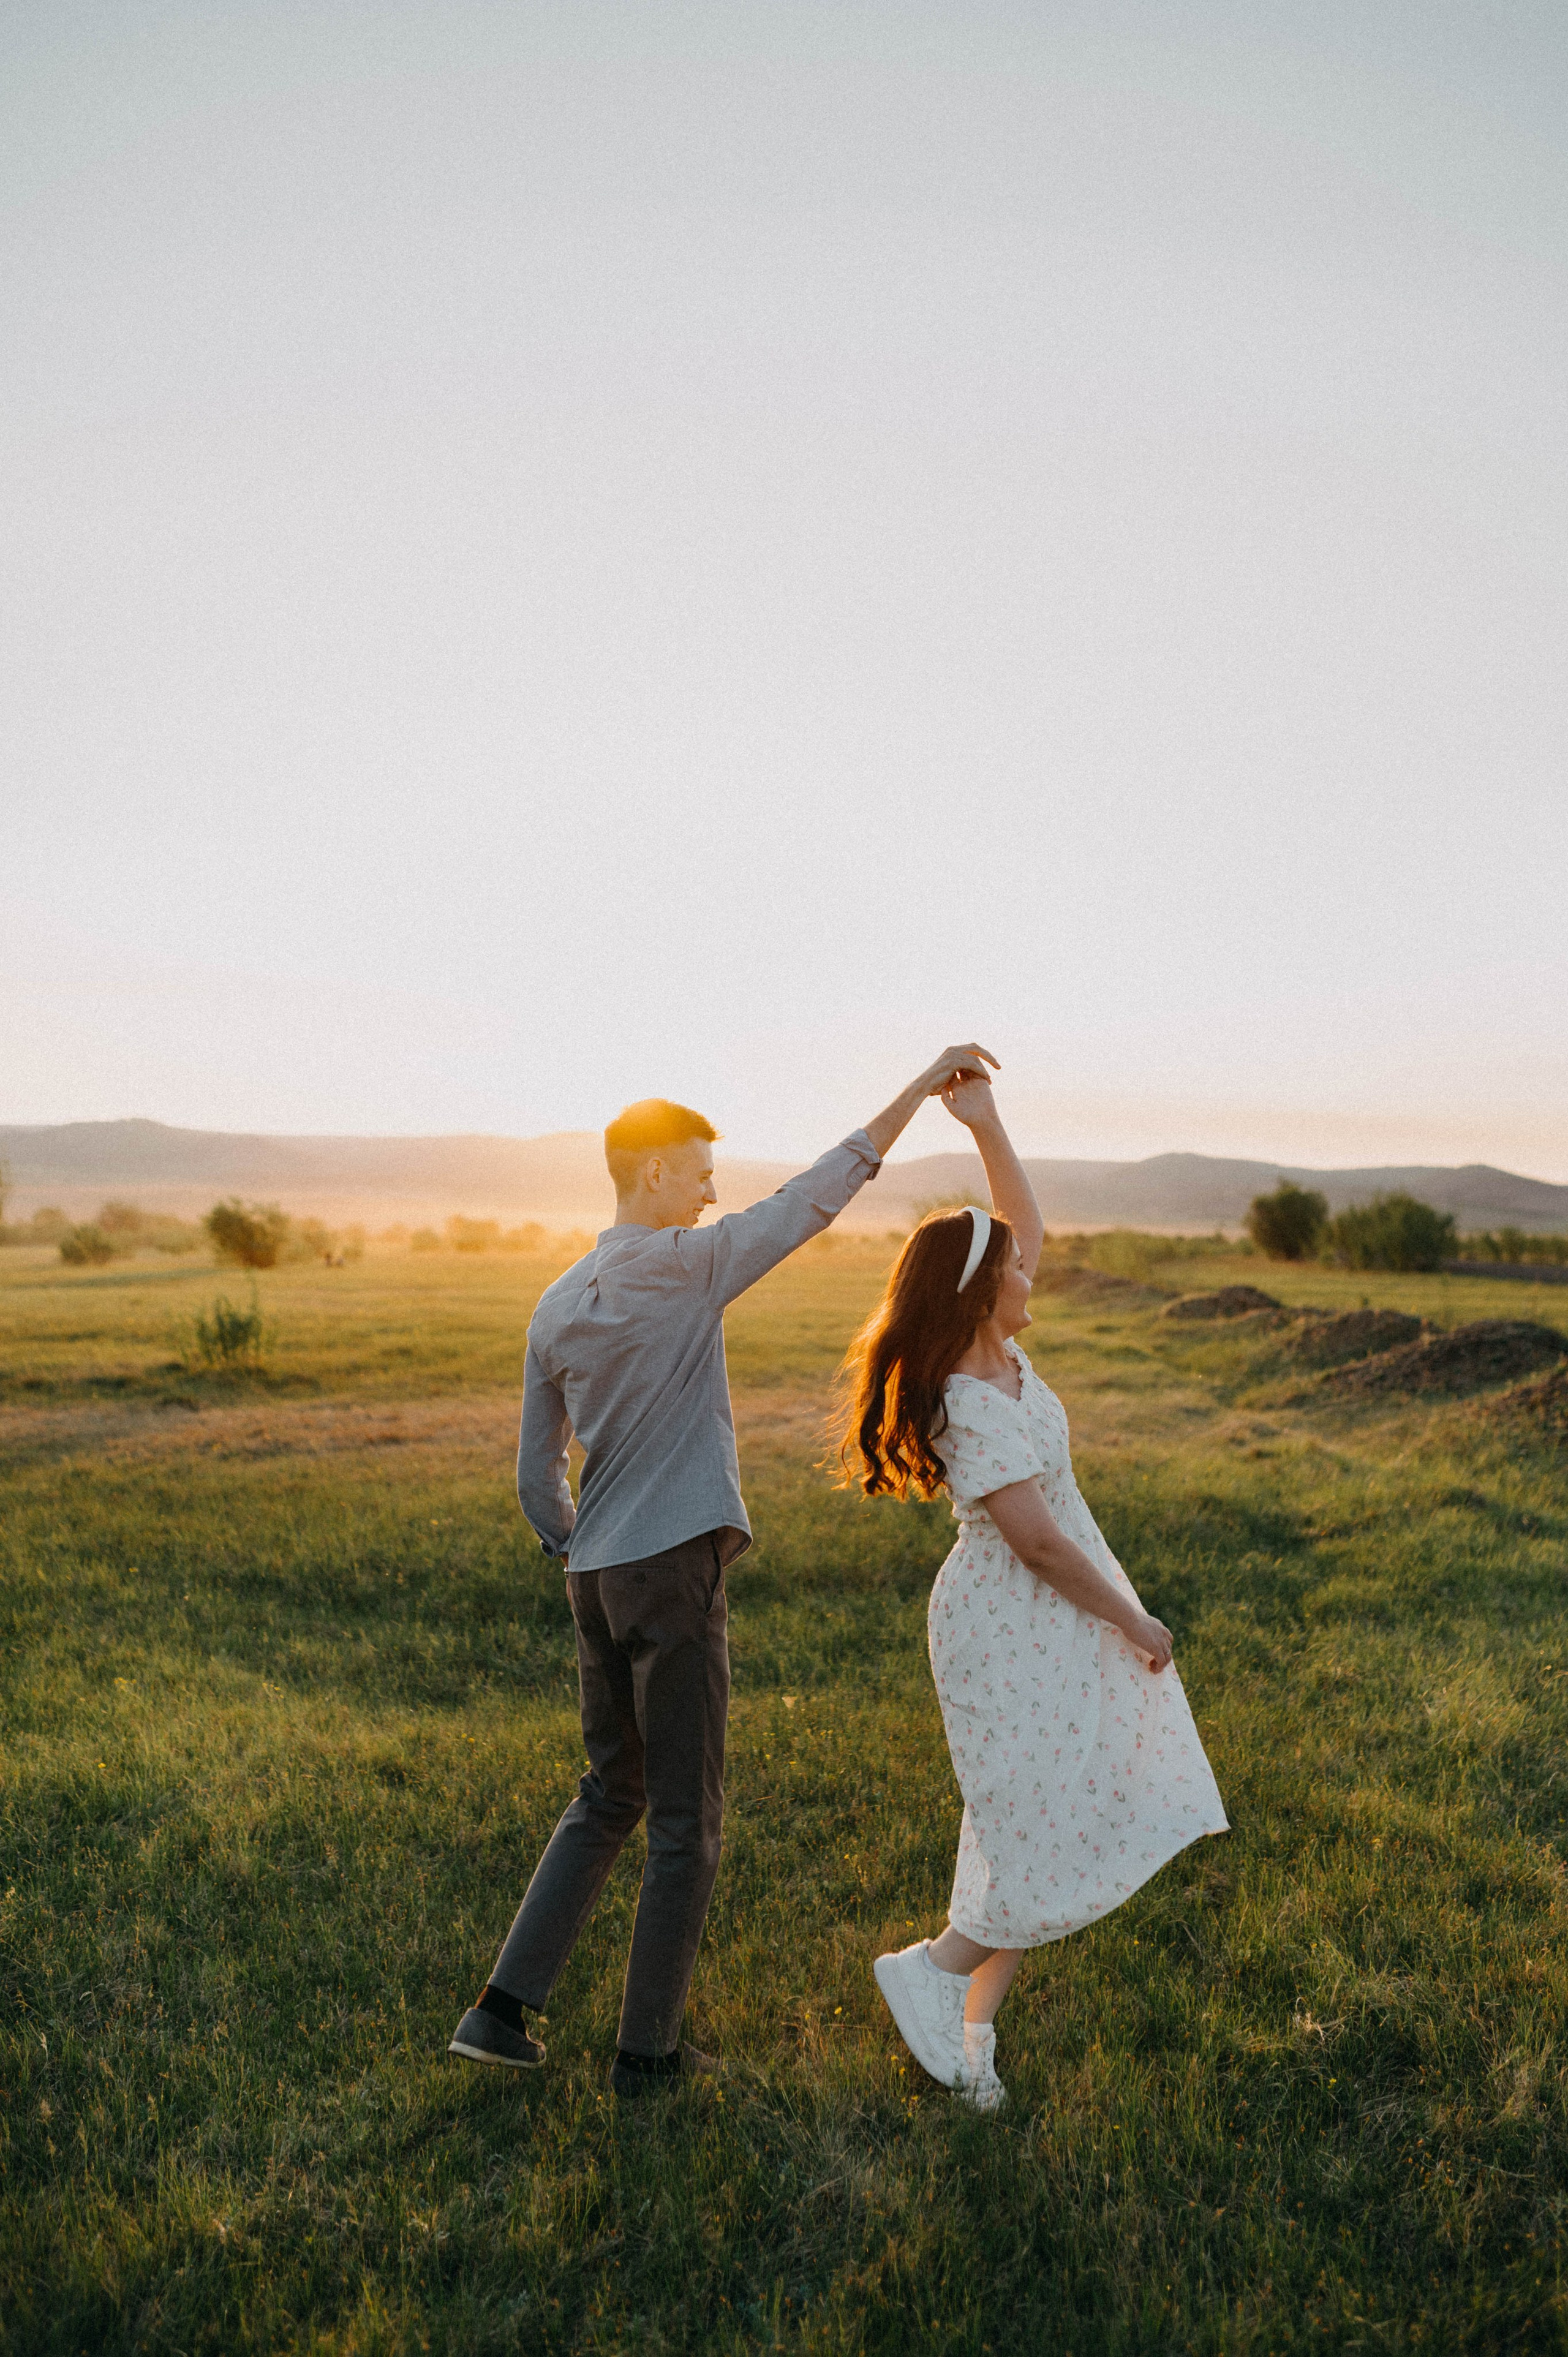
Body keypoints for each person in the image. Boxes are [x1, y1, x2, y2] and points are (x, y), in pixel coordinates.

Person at [448, 1045, 1000, 2097]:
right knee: (686, 1821)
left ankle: (501, 2010)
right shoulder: (688, 1266)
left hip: (594, 1579)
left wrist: (578, 1541)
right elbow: (815, 1198)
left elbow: (534, 1479)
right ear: (653, 1173)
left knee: (609, 1790)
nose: (714, 1190)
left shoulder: (556, 1303)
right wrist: (917, 1090)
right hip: (672, 1569)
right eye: (702, 1170)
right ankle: (646, 2058)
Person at [838, 1069, 1228, 2112]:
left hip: (1054, 1611)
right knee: (1035, 1820)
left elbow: (1023, 1217)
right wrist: (1136, 1619)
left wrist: (986, 1123)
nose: (1031, 1269)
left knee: (1029, 1819)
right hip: (1011, 1620)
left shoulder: (1000, 1350)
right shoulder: (971, 1400)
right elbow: (1038, 1545)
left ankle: (971, 2036)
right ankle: (930, 1969)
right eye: (1014, 1266)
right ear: (981, 1291)